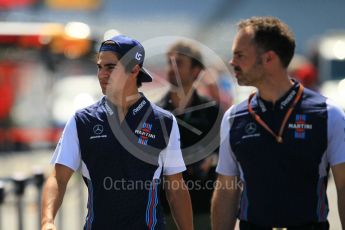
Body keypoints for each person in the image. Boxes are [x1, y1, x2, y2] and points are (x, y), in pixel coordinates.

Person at [41, 35, 193, 230]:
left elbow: (176, 188)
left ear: (135, 70)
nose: (102, 74)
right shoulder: (81, 121)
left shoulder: (163, 121)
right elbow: (58, 177)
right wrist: (47, 221)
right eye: (99, 67)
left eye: (110, 67)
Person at [211, 16, 345, 230]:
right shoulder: (233, 118)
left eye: (239, 55)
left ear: (269, 59)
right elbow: (227, 190)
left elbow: (343, 187)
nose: (232, 62)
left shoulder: (328, 114)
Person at [158, 40, 222, 229]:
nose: (171, 68)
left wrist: (209, 160)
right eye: (169, 62)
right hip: (165, 208)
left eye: (179, 63)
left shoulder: (213, 113)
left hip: (202, 210)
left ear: (196, 71)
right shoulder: (154, 112)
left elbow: (225, 156)